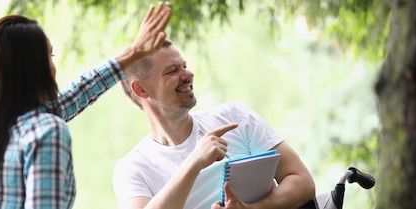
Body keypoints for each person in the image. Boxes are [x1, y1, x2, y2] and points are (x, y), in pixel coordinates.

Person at [0, 2, 171, 209]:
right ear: (33, 68)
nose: (53, 66)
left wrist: (135, 52)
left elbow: (79, 92)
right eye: (49, 56)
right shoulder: (46, 130)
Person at [113, 40, 315, 209]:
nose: (188, 74)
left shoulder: (234, 118)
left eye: (184, 65)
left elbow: (302, 181)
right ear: (140, 89)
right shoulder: (132, 168)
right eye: (172, 71)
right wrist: (194, 162)